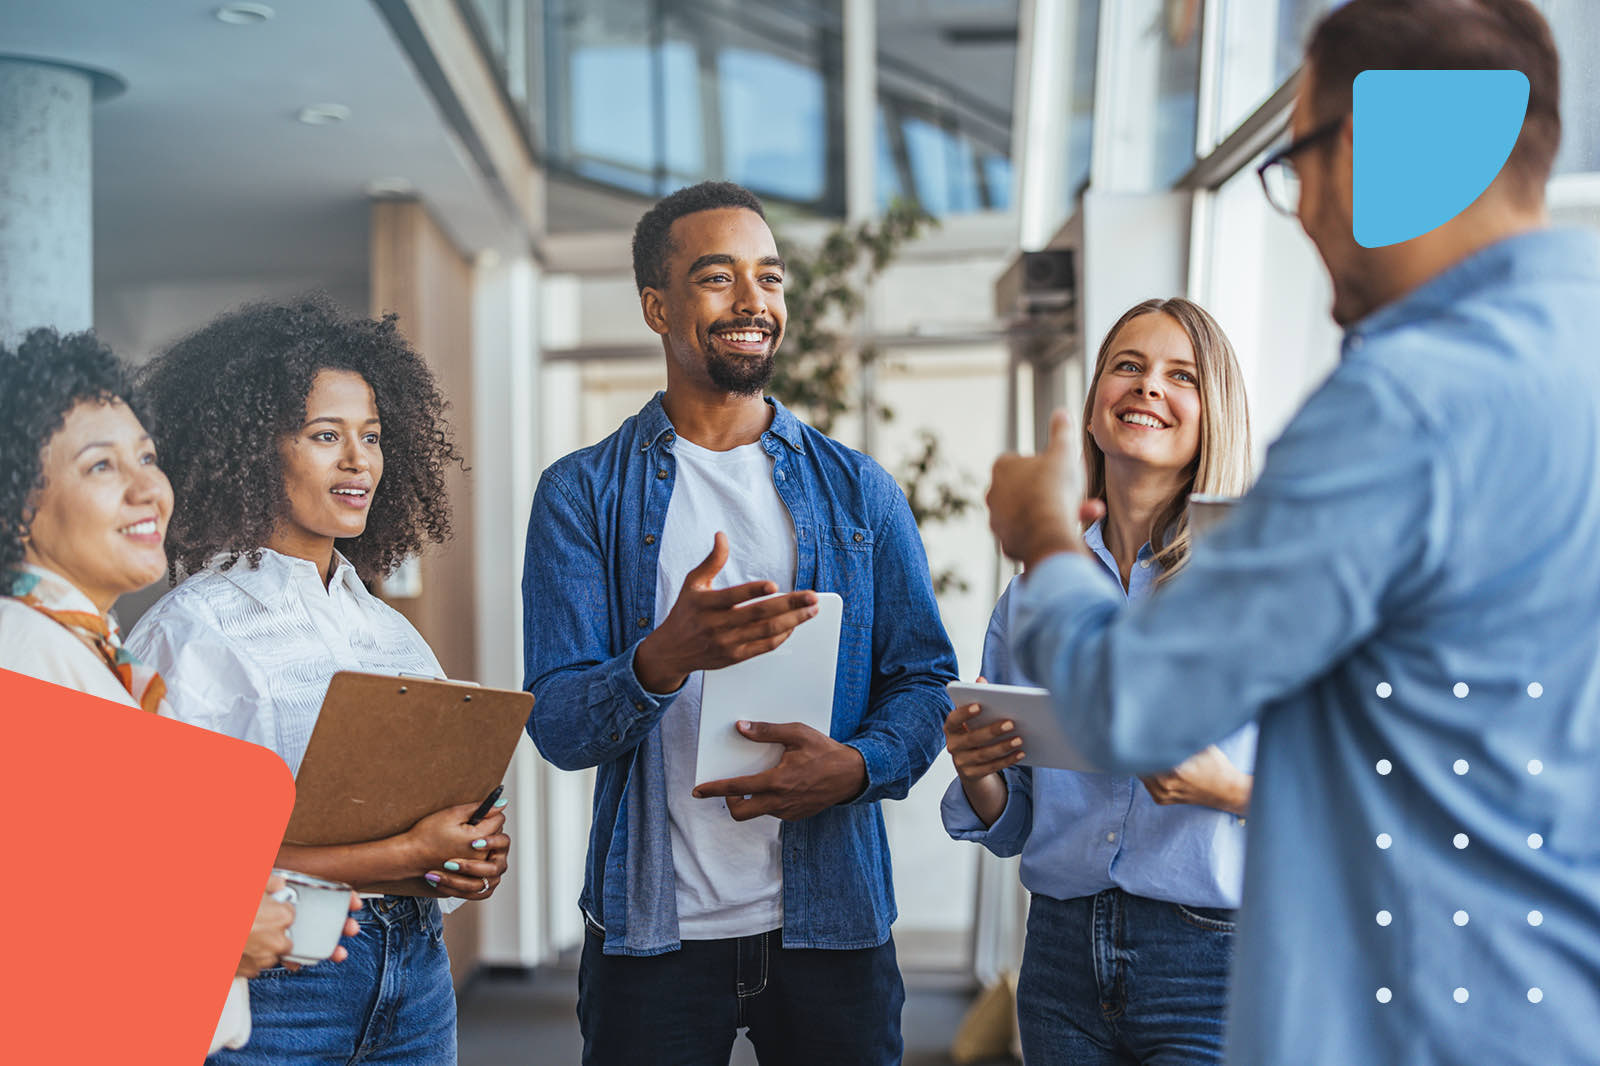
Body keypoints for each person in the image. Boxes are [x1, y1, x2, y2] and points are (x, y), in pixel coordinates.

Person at [984, 1, 1600, 1063]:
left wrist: (1040, 538)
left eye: (1298, 163)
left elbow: (1133, 706)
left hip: (1416, 1013)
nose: (1303, 208)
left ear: (1376, 150)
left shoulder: (1406, 401)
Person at [522, 180, 958, 1065]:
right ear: (658, 305)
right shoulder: (581, 494)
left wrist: (857, 767)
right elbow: (559, 725)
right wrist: (660, 660)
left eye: (770, 278)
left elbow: (924, 679)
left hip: (833, 924)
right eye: (718, 278)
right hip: (654, 932)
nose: (753, 301)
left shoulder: (857, 491)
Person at [127, 295, 508, 1065]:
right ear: (251, 450)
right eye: (325, 435)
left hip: (416, 976)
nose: (358, 460)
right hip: (279, 986)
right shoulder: (189, 631)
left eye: (370, 436)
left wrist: (463, 853)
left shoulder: (389, 631)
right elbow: (166, 867)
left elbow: (433, 812)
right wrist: (406, 850)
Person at [0, 327, 359, 1054]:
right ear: (16, 508)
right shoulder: (22, 650)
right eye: (101, 466)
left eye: (148, 458)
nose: (147, 489)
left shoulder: (88, 652)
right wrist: (219, 928)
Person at [943, 298, 1254, 1065]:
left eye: (1180, 375)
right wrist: (979, 771)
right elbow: (1014, 821)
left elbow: (1331, 790)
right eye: (1128, 366)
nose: (1148, 387)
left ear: (1212, 414)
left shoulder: (1251, 581)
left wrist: (1222, 790)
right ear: (1093, 405)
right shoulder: (1037, 590)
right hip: (1062, 953)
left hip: (1210, 959)